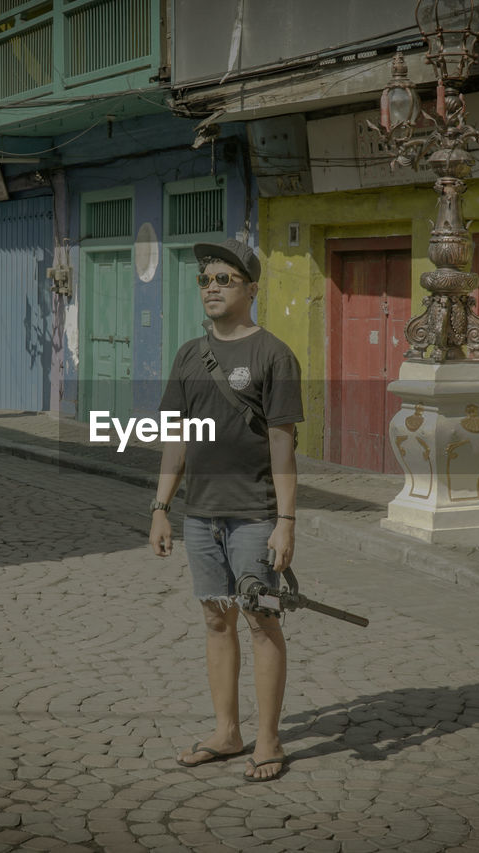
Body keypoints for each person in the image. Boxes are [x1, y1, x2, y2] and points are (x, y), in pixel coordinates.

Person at [149, 238, 303, 783]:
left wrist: (286, 522)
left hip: (255, 515)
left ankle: (268, 739)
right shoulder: (190, 355)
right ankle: (226, 731)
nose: (211, 287)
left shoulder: (273, 354)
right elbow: (177, 439)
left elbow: (283, 444)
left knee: (262, 622)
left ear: (251, 289)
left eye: (224, 279)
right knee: (217, 620)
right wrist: (162, 506)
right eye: (205, 280)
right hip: (201, 517)